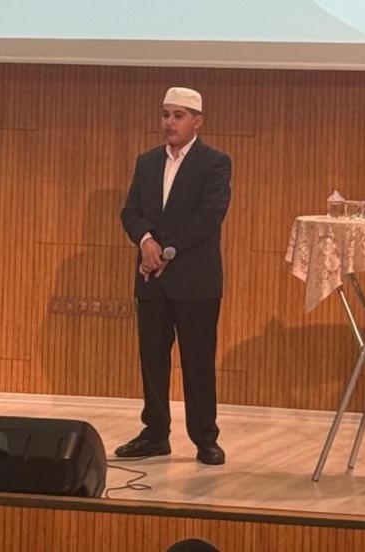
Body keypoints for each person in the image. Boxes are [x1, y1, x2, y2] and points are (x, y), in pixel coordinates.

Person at [117, 87, 232, 465]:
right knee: (152, 358)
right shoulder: (147, 162)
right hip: (152, 279)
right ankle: (155, 433)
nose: (169, 122)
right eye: (165, 114)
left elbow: (209, 216)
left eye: (178, 115)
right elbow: (131, 211)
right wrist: (146, 241)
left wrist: (166, 251)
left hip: (195, 281)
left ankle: (205, 438)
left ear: (197, 121)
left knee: (198, 361)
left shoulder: (214, 163)